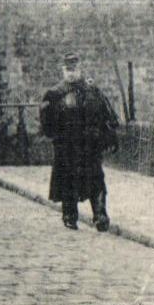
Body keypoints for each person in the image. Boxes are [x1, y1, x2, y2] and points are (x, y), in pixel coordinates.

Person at [39, 51, 119, 230]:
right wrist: (55, 136)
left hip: (90, 145)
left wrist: (108, 136)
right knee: (67, 180)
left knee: (96, 178)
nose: (71, 73)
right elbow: (46, 122)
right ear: (63, 71)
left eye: (74, 69)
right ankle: (70, 215)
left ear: (80, 69)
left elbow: (106, 115)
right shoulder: (54, 94)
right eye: (68, 69)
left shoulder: (92, 91)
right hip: (66, 146)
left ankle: (100, 215)